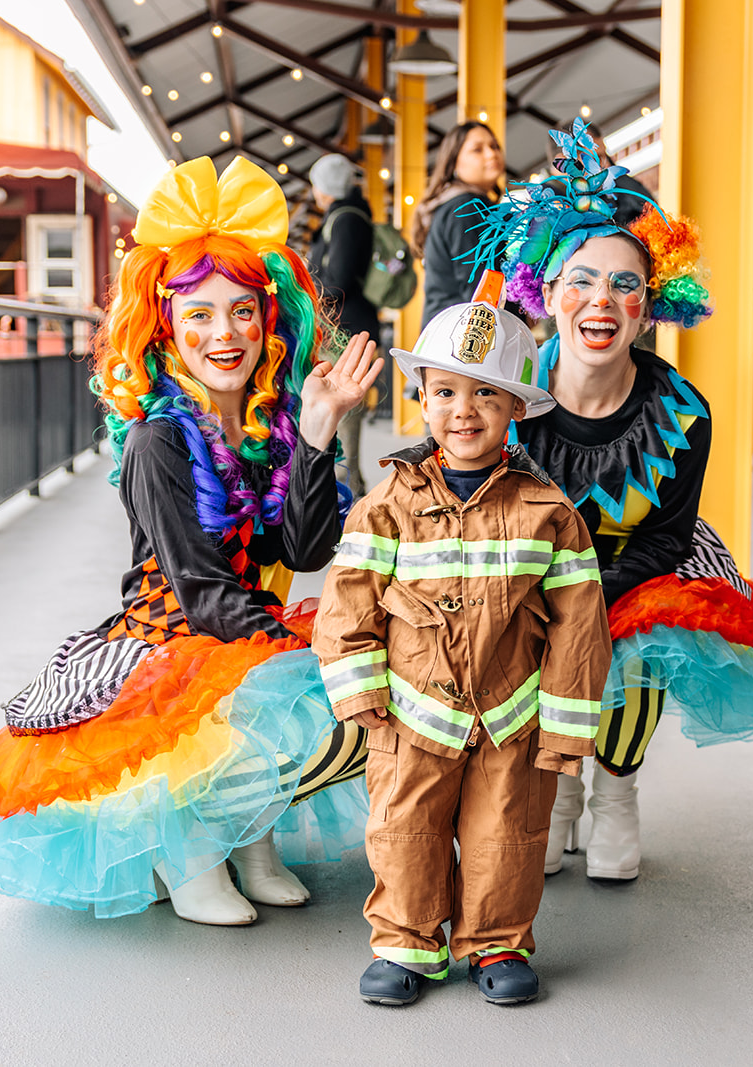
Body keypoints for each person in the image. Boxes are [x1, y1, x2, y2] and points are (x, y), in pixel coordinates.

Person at [0, 156, 384, 925]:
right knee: (306, 690)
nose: (223, 333)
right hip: (175, 641)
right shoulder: (156, 441)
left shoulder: (268, 427)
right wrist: (304, 651)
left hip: (242, 630)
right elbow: (201, 593)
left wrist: (317, 432)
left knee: (351, 687)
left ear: (271, 321)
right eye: (199, 313)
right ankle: (189, 848)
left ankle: (249, 839)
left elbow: (304, 552)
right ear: (165, 326)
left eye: (242, 311)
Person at [469, 119, 753, 883]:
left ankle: (616, 791)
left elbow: (666, 540)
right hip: (527, 567)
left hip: (641, 568)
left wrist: (582, 594)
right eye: (580, 281)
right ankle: (557, 786)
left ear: (649, 304)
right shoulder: (503, 397)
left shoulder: (684, 415)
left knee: (644, 641)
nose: (601, 300)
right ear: (545, 294)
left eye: (624, 284)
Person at [313, 273, 610, 1006]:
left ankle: (497, 941)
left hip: (513, 713)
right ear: (422, 399)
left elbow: (579, 625)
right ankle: (406, 943)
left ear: (516, 408)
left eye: (485, 394)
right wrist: (360, 688)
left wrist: (564, 729)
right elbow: (348, 597)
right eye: (444, 391)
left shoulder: (550, 512)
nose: (463, 410)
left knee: (506, 833)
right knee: (404, 827)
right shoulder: (387, 504)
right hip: (411, 710)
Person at [307, 153, 380, 496]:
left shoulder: (346, 219)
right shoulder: (349, 215)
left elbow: (338, 280)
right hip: (346, 327)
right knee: (340, 417)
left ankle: (350, 498)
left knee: (343, 416)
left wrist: (307, 286)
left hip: (345, 332)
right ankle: (347, 492)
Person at [411, 121, 505, 329]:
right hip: (460, 335)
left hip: (445, 329)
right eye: (477, 149)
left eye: (494, 146)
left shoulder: (454, 204)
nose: (492, 154)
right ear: (454, 162)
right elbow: (479, 287)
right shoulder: (467, 207)